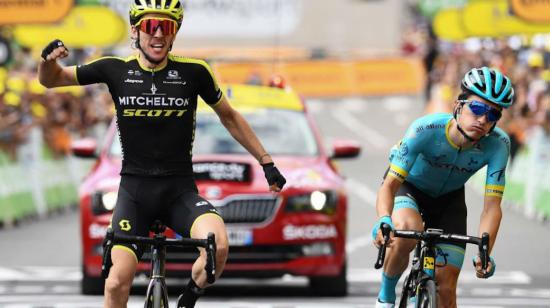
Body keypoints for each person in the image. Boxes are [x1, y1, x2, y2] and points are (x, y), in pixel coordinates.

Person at [38, 1, 286, 307]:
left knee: (218, 246)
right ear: (135, 30)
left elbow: (230, 117)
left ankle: (188, 299)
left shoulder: (194, 72)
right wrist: (46, 60)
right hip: (135, 195)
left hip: (179, 192)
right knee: (116, 283)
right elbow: (52, 80)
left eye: (166, 26)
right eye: (150, 25)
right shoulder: (115, 69)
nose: (157, 33)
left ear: (175, 33)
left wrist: (267, 162)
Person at [372, 66, 514, 308]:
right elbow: (390, 185)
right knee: (408, 229)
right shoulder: (425, 130)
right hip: (409, 187)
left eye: (493, 115)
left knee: (447, 287)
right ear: (458, 106)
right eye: (477, 108)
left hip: (449, 199)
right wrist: (384, 219)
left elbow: (492, 207)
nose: (482, 119)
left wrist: (484, 252)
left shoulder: (498, 144)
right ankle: (386, 296)